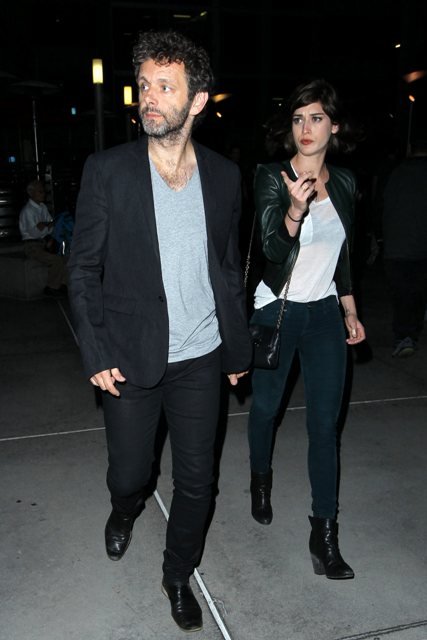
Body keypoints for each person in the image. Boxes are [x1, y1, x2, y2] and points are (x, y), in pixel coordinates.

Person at [67, 29, 251, 633]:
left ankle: (177, 574)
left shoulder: (225, 176)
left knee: (199, 481)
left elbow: (228, 270)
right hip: (129, 355)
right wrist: (95, 349)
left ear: (197, 100)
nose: (149, 96)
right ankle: (125, 508)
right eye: (144, 84)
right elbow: (83, 268)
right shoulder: (109, 171)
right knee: (132, 474)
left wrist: (237, 347)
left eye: (165, 86)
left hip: (201, 355)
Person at [247, 79, 366, 580]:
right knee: (266, 409)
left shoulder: (345, 183)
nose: (306, 128)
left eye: (316, 118)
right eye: (298, 119)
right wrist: (295, 210)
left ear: (333, 126)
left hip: (322, 315)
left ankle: (325, 535)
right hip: (278, 310)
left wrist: (349, 308)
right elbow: (272, 250)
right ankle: (260, 479)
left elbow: (344, 252)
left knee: (324, 427)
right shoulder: (271, 177)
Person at [381, 139, 427, 357]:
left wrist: (380, 237)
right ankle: (409, 333)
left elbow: (381, 204)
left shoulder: (396, 172)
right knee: (416, 294)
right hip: (420, 246)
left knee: (402, 295)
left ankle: (404, 335)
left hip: (396, 245)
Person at [18, 180, 68, 296]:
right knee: (56, 260)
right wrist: (47, 226)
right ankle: (52, 287)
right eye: (40, 191)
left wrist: (44, 226)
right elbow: (35, 233)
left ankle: (63, 285)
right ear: (31, 193)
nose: (43, 194)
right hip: (32, 246)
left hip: (43, 242)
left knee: (65, 257)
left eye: (43, 191)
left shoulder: (42, 207)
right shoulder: (28, 211)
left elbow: (51, 226)